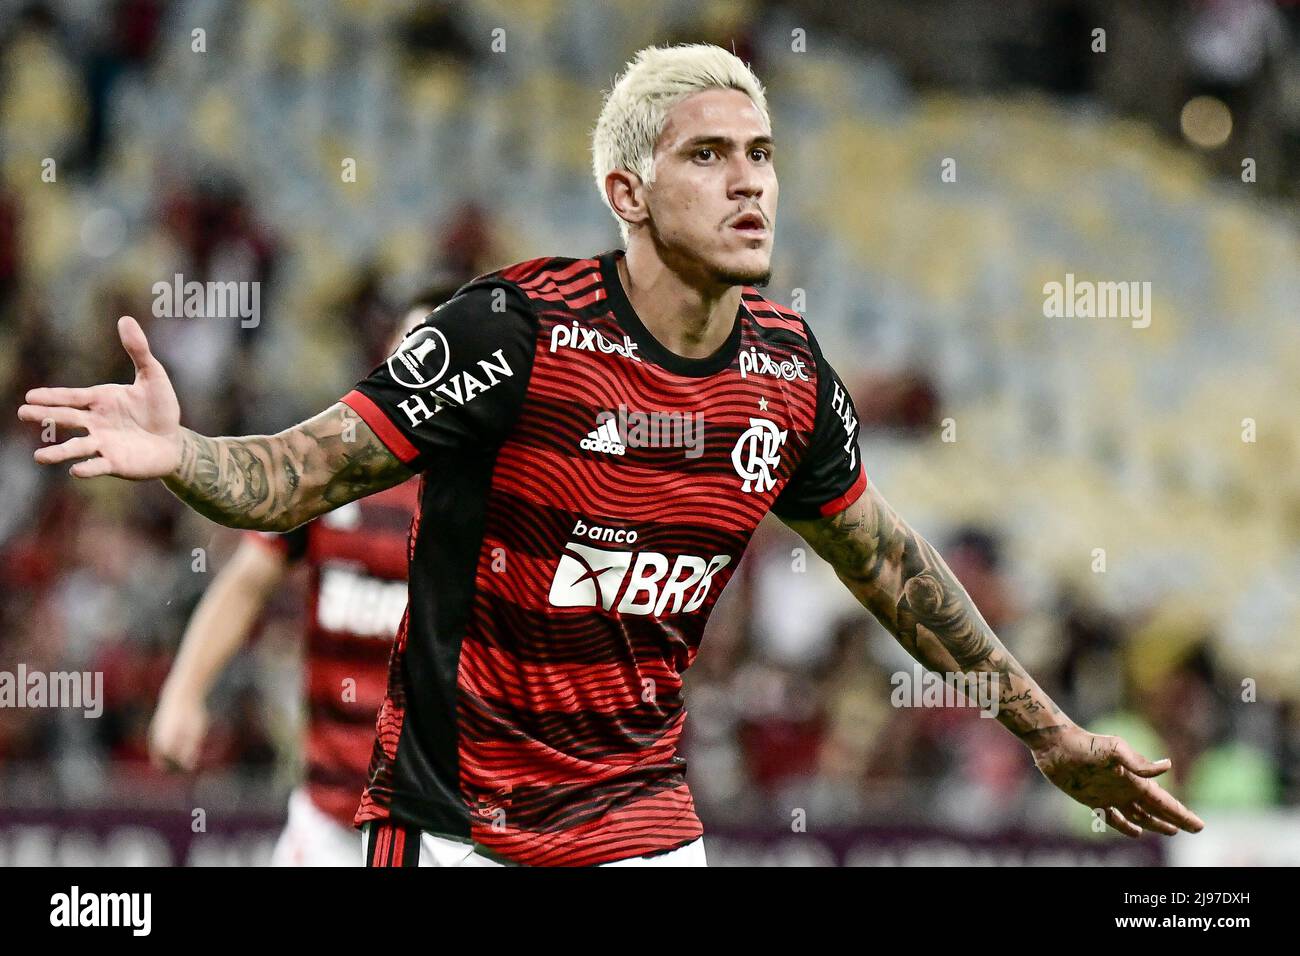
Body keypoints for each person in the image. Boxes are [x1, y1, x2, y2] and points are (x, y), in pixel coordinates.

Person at [18, 43, 1202, 867]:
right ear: (626, 192)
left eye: (762, 151)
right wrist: (184, 452)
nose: (748, 179)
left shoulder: (788, 375)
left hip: (642, 821)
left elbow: (888, 563)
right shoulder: (514, 330)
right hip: (453, 826)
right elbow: (301, 471)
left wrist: (1048, 732)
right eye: (708, 156)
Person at [146, 289, 454, 866]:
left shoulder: (509, 495)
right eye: (413, 352)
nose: (426, 374)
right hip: (328, 819)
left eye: (443, 357)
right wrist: (184, 692)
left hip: (449, 831)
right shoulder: (338, 467)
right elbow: (246, 581)